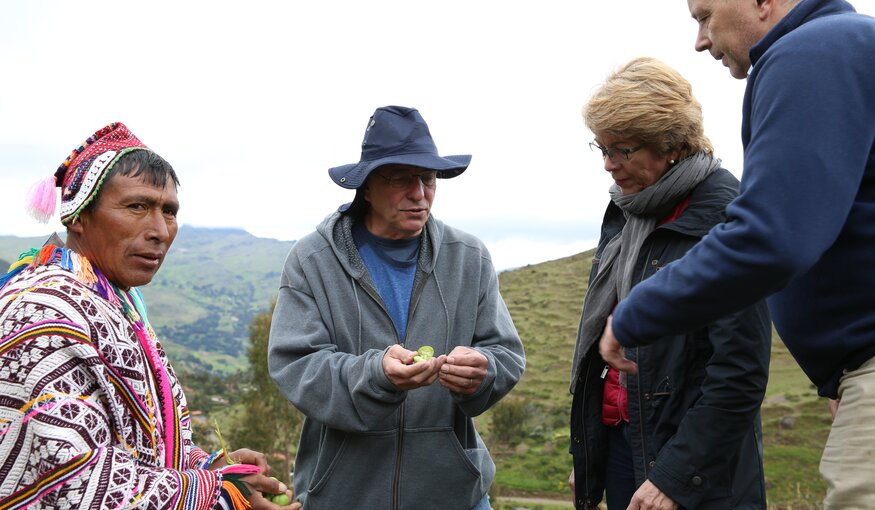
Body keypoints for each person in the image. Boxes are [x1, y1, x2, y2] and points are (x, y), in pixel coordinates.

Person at [598, 1, 875, 508]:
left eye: (705, 16)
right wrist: (845, 371)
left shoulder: (811, 51)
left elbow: (773, 237)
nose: (701, 40)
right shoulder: (843, 48)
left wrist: (637, 311)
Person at [0, 123, 299, 509]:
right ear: (77, 216)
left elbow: (144, 443)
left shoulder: (116, 301)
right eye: (137, 206)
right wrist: (220, 498)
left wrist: (213, 468)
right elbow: (75, 484)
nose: (159, 230)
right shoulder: (41, 313)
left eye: (169, 211)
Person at [267, 105, 526, 510]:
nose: (420, 194)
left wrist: (484, 370)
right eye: (402, 179)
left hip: (453, 496)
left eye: (427, 179)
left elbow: (505, 352)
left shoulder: (469, 257)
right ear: (366, 187)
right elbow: (297, 365)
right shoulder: (313, 260)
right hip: (344, 496)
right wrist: (375, 374)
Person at [565, 58, 770, 510]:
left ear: (672, 143)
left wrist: (675, 477)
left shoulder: (726, 217)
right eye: (601, 148)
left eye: (623, 150)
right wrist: (591, 455)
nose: (608, 165)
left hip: (699, 473)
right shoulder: (627, 211)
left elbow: (739, 371)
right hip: (625, 445)